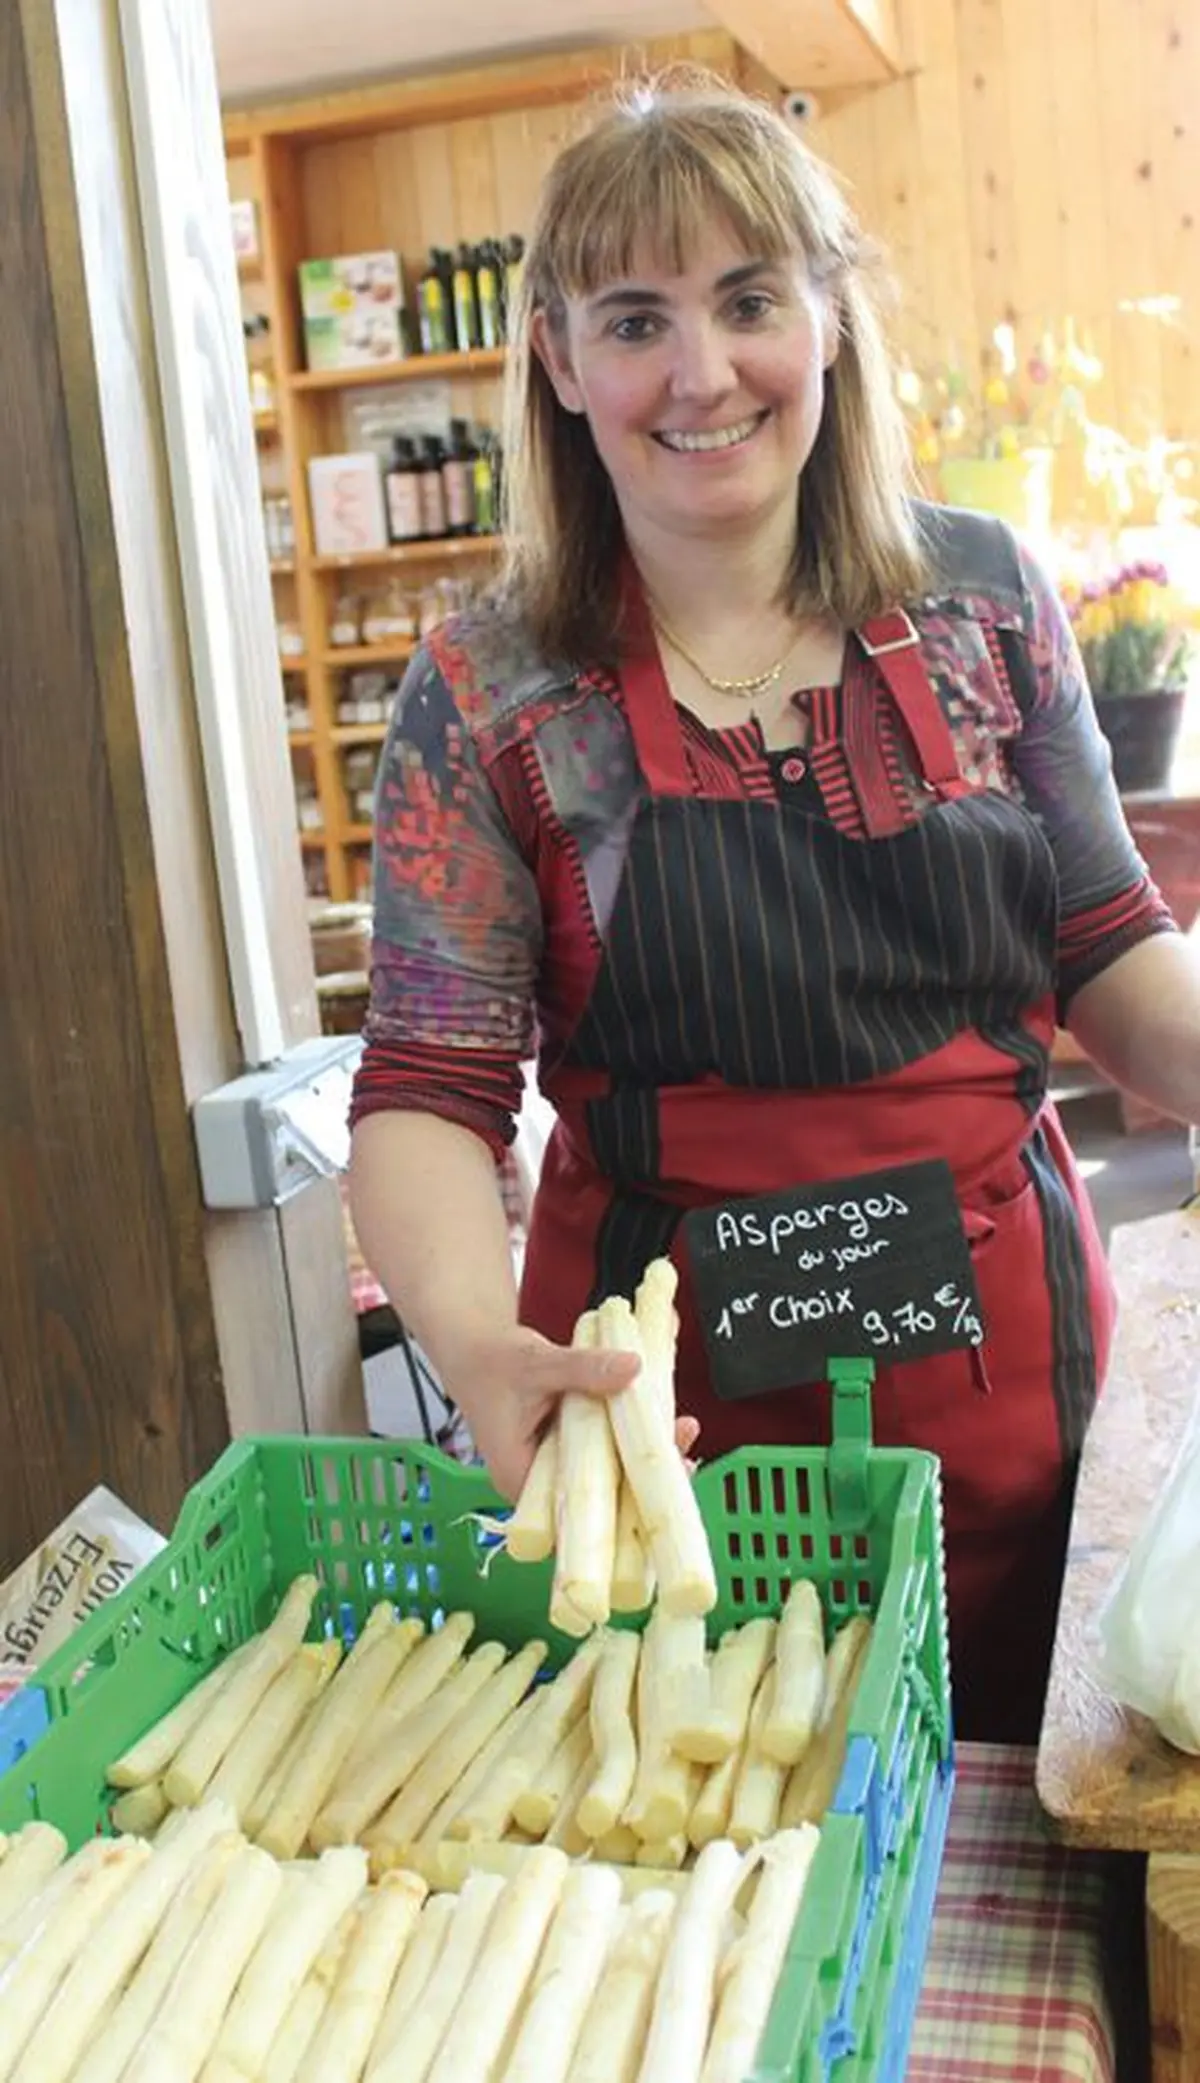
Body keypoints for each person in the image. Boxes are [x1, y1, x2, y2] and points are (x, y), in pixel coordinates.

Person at [349, 73, 1200, 1744]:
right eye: (636, 320)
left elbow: (1108, 943)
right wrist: (472, 1340)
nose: (701, 372)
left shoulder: (984, 599)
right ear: (557, 356)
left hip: (1018, 1406)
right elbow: (430, 1090)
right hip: (667, 1466)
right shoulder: (491, 692)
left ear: (828, 316)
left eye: (748, 303)